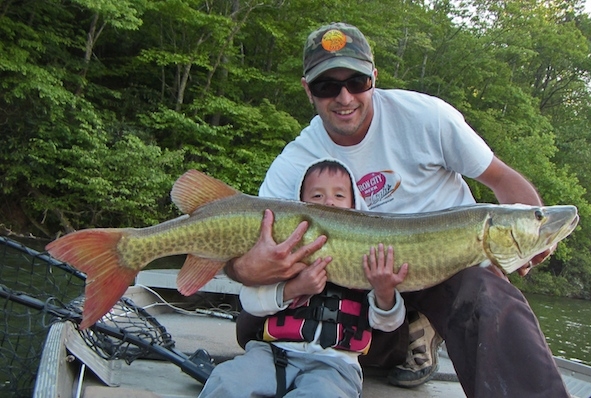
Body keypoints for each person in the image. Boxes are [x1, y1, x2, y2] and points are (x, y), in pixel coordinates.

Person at [224, 22, 570, 397]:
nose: (344, 97)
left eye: (356, 82)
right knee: (249, 326)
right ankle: (413, 336)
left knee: (486, 297)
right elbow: (245, 248)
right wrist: (245, 269)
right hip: (360, 275)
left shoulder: (426, 117)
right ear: (309, 90)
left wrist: (534, 227)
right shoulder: (296, 161)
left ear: (373, 77)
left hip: (448, 270)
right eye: (327, 86)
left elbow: (502, 179)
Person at [199, 159, 408, 397]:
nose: (328, 201)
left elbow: (388, 324)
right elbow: (250, 303)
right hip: (271, 353)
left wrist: (384, 292)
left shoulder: (370, 259)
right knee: (228, 382)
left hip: (335, 365)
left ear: (355, 205)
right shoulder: (283, 252)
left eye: (339, 196)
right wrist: (294, 288)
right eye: (317, 196)